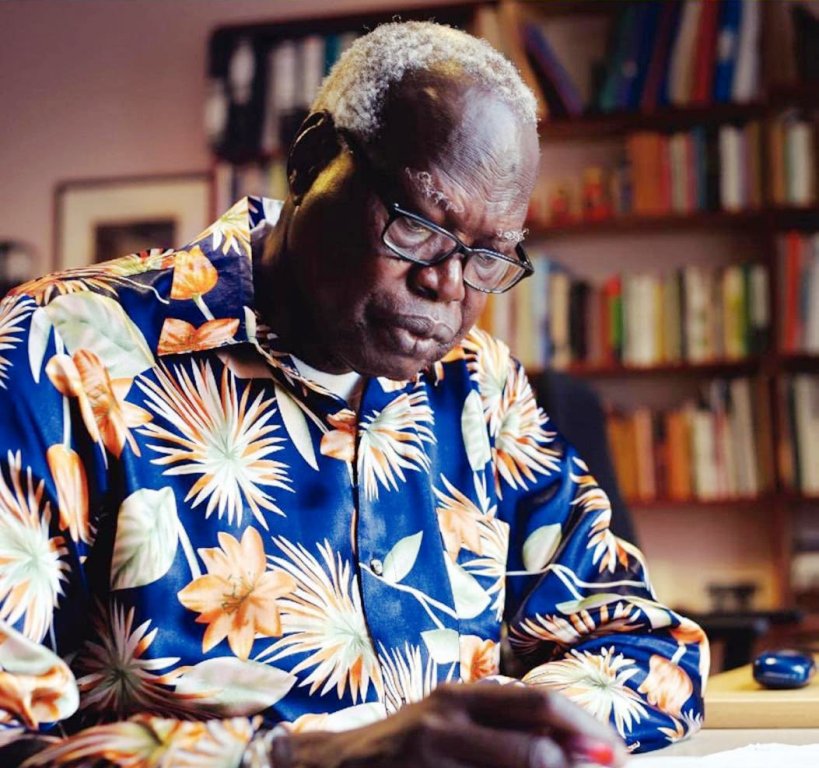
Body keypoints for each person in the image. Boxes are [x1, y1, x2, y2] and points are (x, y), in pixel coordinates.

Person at [0, 21, 707, 768]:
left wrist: (519, 732)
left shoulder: (479, 384)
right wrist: (311, 760)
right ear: (310, 164)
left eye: (489, 255)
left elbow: (644, 644)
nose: (447, 284)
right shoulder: (60, 349)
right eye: (419, 225)